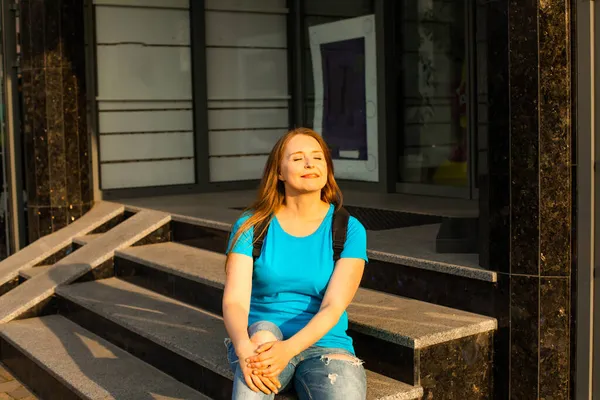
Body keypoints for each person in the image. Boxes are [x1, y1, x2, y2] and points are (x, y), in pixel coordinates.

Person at [223, 127, 368, 399]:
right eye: (298, 158)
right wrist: (243, 348)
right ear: (279, 172)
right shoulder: (251, 226)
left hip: (326, 345)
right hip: (261, 340)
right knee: (263, 339)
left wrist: (288, 350)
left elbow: (333, 306)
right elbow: (235, 301)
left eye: (318, 157)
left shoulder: (348, 229)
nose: (310, 164)